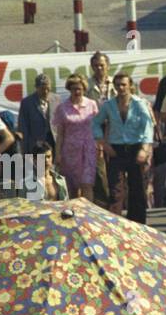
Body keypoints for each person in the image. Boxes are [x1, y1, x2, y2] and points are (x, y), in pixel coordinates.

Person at [95, 74, 154, 223]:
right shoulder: (108, 105)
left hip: (135, 148)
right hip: (116, 150)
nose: (120, 88)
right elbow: (95, 124)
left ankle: (138, 225)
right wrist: (104, 144)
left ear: (130, 86)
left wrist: (144, 149)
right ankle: (115, 225)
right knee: (116, 191)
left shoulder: (139, 104)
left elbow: (148, 126)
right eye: (118, 85)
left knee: (138, 190)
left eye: (123, 85)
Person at [52, 74, 100, 201]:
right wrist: (57, 154)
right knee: (70, 187)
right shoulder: (62, 108)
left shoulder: (92, 104)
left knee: (87, 184)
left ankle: (89, 216)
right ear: (69, 89)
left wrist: (100, 146)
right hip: (70, 152)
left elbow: (98, 128)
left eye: (79, 89)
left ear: (84, 89)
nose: (77, 92)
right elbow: (60, 134)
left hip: (88, 150)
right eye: (74, 89)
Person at [16, 72, 56, 158]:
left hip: (54, 143)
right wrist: (25, 151)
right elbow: (23, 128)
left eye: (47, 89)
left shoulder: (56, 99)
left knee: (53, 170)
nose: (45, 92)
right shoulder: (27, 103)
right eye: (42, 89)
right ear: (36, 88)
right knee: (39, 169)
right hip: (36, 145)